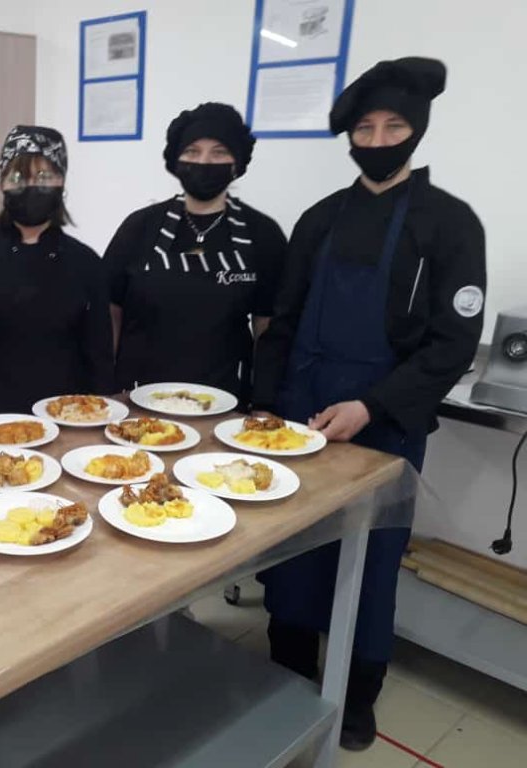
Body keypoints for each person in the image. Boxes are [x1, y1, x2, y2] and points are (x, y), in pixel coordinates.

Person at [251, 57, 486, 750]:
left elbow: (452, 344)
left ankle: (357, 698)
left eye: (394, 127)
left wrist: (373, 405)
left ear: (418, 131)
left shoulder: (450, 225)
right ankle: (287, 676)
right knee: (293, 556)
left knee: (372, 565)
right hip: (298, 424)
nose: (377, 140)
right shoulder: (320, 219)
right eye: (365, 128)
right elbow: (281, 324)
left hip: (385, 428)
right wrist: (264, 410)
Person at [104, 103, 287, 402]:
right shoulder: (139, 227)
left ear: (237, 163)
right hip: (136, 398)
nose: (204, 162)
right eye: (192, 151)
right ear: (176, 160)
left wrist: (264, 402)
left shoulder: (263, 234)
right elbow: (110, 311)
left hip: (225, 401)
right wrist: (107, 391)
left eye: (219, 152)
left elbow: (267, 327)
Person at [0, 125, 114, 417]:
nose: (30, 186)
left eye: (43, 176)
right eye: (17, 177)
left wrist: (98, 417)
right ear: (2, 183)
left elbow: (98, 357)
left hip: (63, 418)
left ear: (61, 182)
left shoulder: (86, 263)